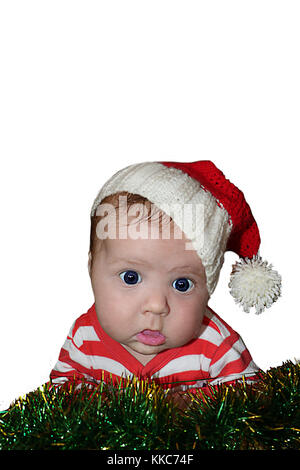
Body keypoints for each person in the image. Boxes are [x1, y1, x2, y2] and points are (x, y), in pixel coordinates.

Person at [49, 160, 281, 405]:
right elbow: (61, 390)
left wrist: (193, 406)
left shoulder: (214, 343)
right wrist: (91, 405)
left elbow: (252, 398)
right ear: (91, 270)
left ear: (208, 290)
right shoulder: (85, 337)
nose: (157, 305)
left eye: (182, 284)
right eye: (131, 277)